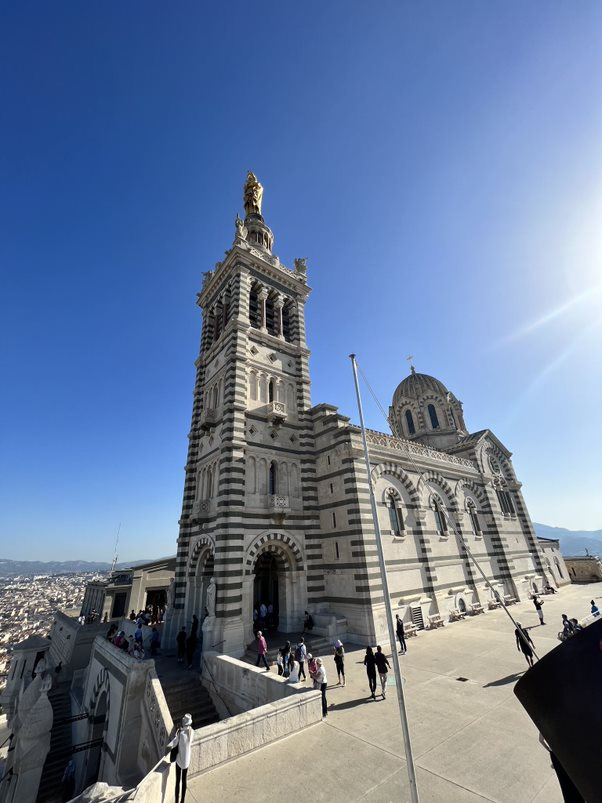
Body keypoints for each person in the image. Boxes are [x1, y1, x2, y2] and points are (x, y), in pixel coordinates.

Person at [166, 713, 193, 803]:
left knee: (178, 781)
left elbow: (173, 743)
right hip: (186, 761)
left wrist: (176, 732)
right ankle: (182, 800)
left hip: (179, 760)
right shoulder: (192, 732)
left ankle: (177, 801)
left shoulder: (180, 733)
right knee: (184, 781)